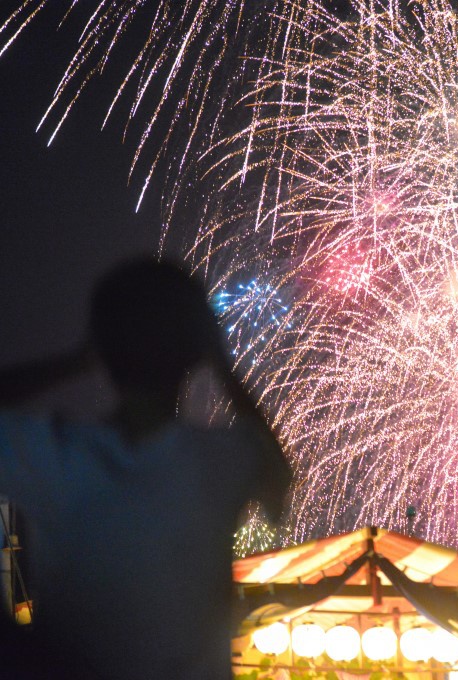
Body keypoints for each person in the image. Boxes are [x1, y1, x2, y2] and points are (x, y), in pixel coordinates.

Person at [0, 258, 293, 679]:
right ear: (195, 350)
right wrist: (221, 364)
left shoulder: (53, 455)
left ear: (101, 345)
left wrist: (79, 360)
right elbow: (276, 471)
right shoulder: (223, 461)